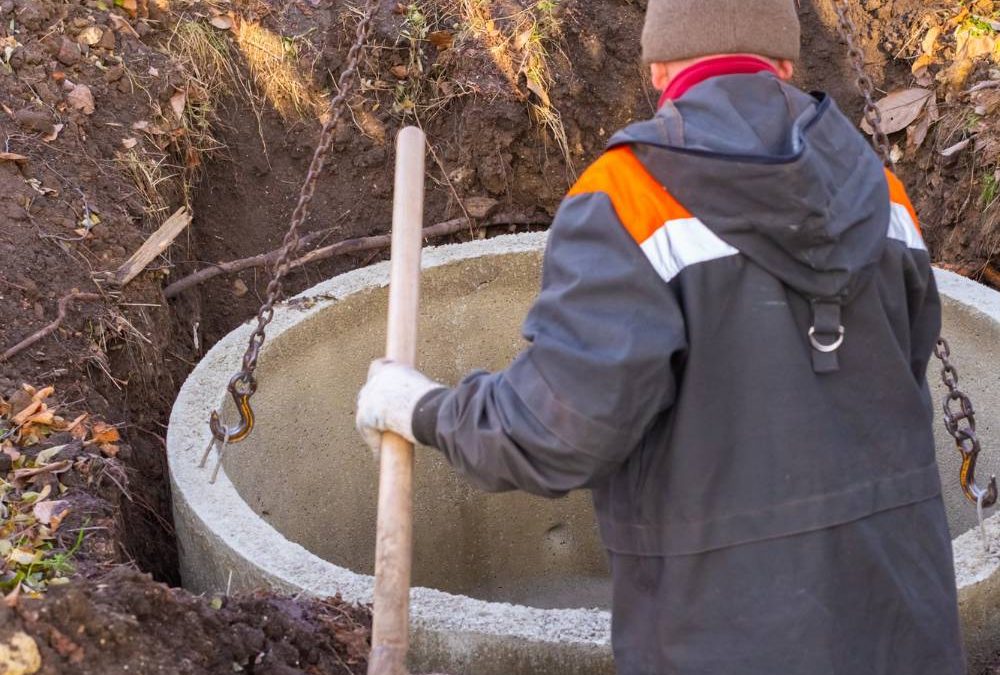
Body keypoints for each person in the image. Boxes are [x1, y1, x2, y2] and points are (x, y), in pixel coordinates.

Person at [356, 0, 966, 672]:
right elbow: (897, 375)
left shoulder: (630, 199)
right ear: (787, 65)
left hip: (722, 641)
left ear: (657, 68)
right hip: (906, 629)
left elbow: (554, 428)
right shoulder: (885, 197)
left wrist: (420, 407)